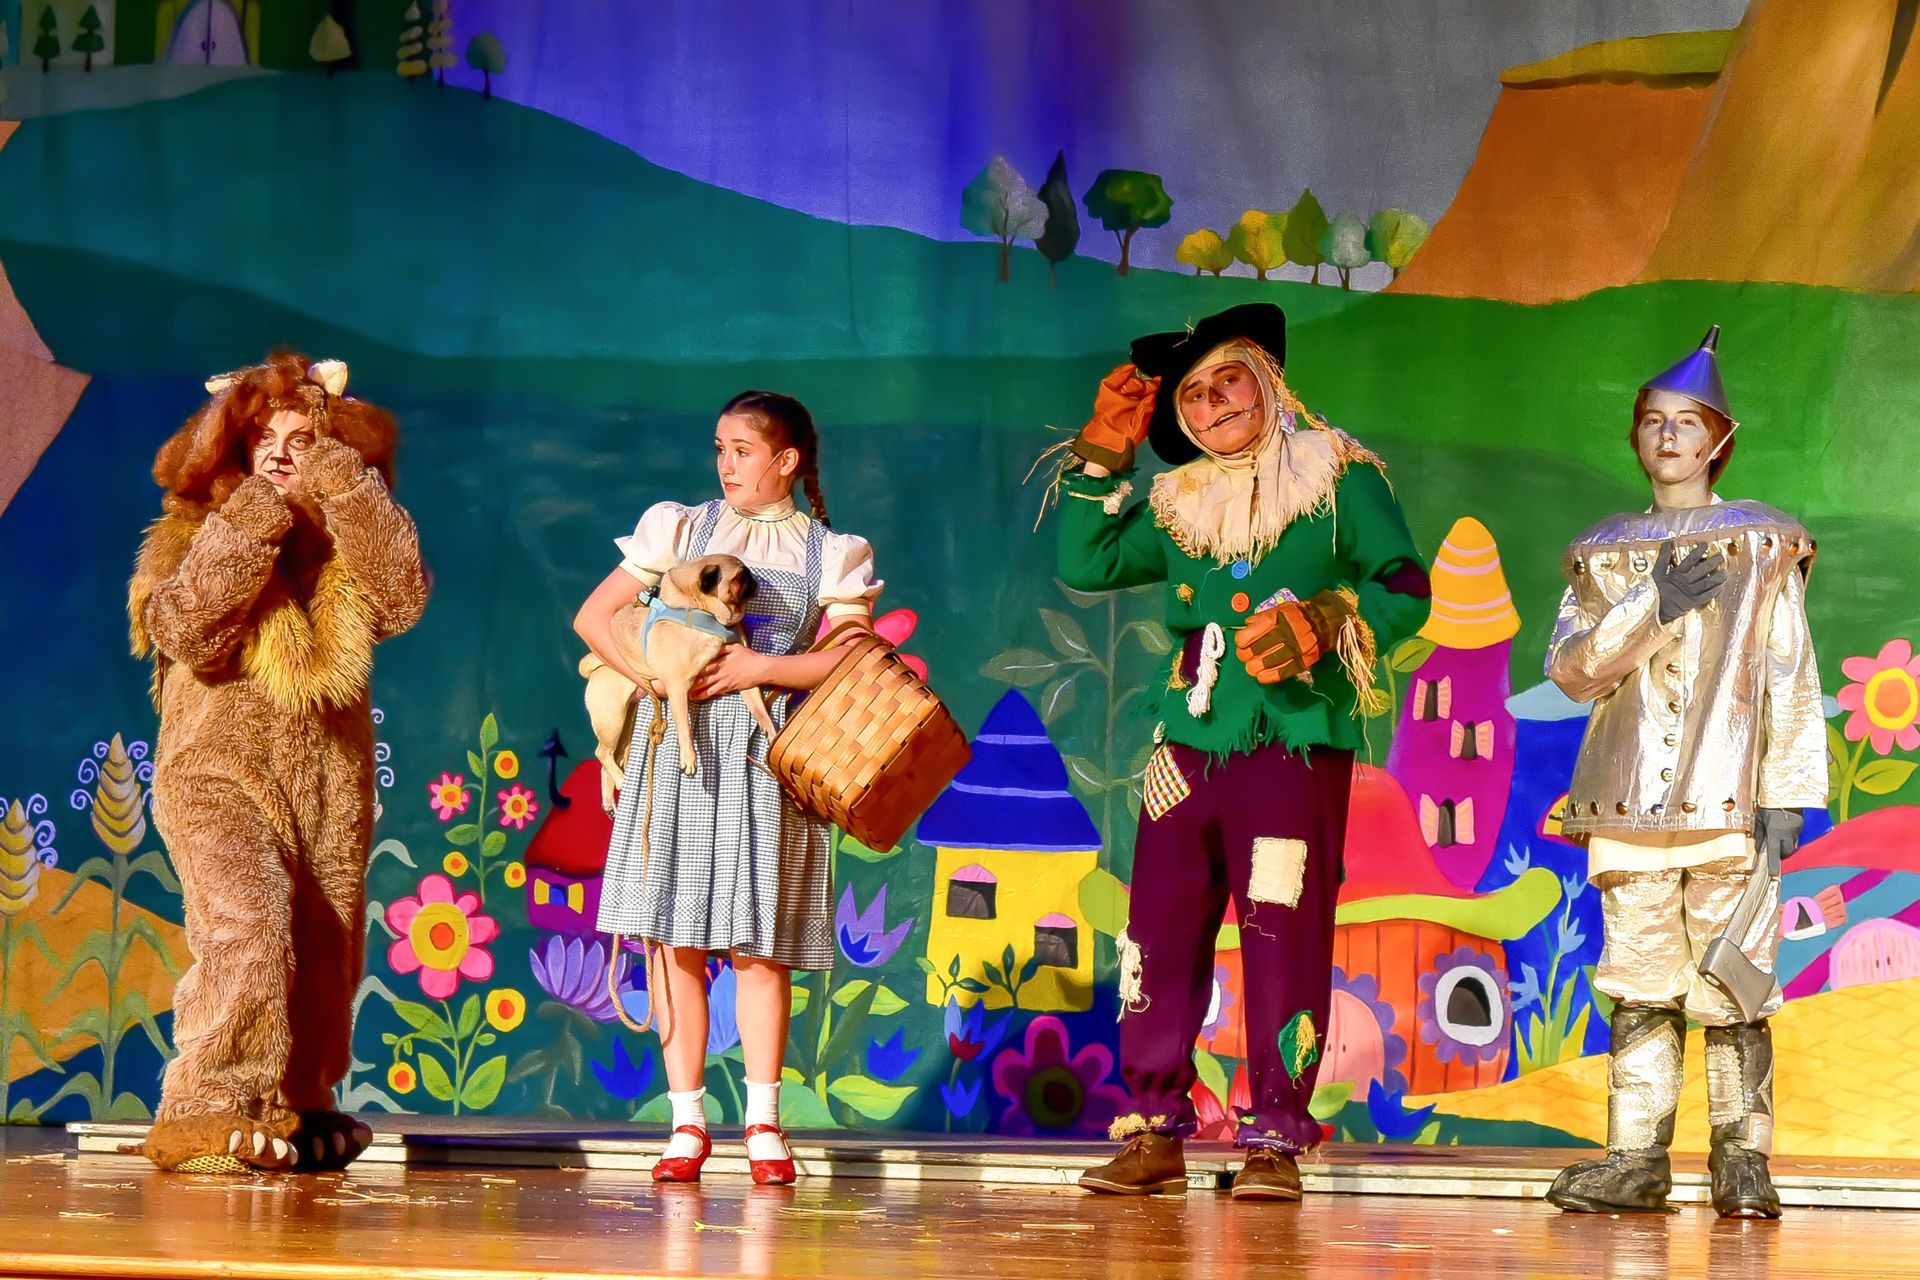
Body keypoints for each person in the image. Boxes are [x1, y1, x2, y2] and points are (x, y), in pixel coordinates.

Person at [1050, 304, 1431, 1200]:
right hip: (1186, 745)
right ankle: (1154, 1129)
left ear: (1268, 383)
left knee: (1282, 932)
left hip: (1293, 743)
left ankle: (1273, 1140)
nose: (1214, 402)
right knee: (1159, 931)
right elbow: (1088, 562)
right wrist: (1101, 459)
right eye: (1193, 394)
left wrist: (1329, 621)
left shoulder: (1336, 476)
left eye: (1229, 381)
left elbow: (1405, 588)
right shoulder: (1178, 501)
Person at [1544, 327, 1822, 1219]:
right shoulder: (1602, 554)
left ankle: (1743, 1162)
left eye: (1687, 422)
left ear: (1718, 441)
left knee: (1735, 980)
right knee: (1640, 980)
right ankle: (1636, 1158)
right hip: (1626, 803)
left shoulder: (1761, 543)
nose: (1668, 436)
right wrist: (1652, 605)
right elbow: (1573, 670)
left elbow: (1788, 671)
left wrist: (1788, 794)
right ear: (1635, 435)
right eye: (1653, 421)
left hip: (1727, 800)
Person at [574, 392, 881, 1186]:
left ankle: (764, 1126)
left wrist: (760, 666)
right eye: (719, 448)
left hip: (766, 756)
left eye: (743, 450)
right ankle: (686, 1125)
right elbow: (595, 618)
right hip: (674, 754)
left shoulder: (829, 551)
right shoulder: (681, 529)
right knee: (674, 938)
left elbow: (852, 657)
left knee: (758, 948)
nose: (726, 464)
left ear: (786, 460)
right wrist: (654, 677)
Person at [131, 353, 427, 1173]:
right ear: (234, 450)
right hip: (217, 775)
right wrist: (253, 519)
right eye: (264, 439)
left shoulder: (340, 549)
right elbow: (188, 630)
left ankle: (298, 1099)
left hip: (329, 782)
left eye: (302, 439)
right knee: (249, 924)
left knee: (326, 945)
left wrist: (348, 487)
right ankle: (206, 1105)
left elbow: (401, 597)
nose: (282, 453)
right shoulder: (192, 535)